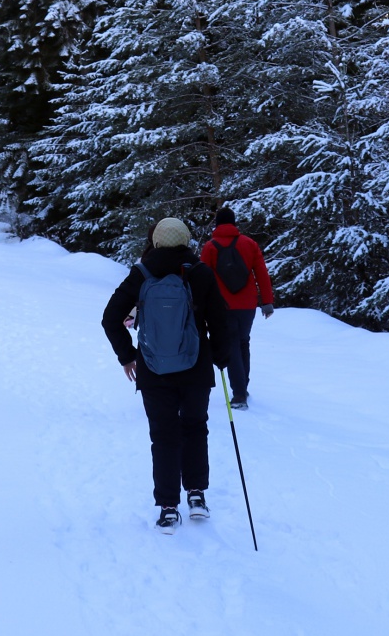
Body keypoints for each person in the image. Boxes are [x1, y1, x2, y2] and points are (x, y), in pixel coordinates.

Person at [101, 217, 233, 534]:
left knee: (163, 436)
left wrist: (128, 356)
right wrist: (220, 357)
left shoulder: (141, 273)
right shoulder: (201, 273)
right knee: (195, 428)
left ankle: (168, 508)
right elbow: (221, 321)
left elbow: (110, 318)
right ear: (186, 240)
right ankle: (197, 494)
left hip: (153, 368)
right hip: (196, 367)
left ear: (156, 241)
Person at [200, 207, 274, 411]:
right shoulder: (249, 244)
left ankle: (239, 394)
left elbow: (202, 278)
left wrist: (201, 305)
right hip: (247, 305)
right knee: (243, 342)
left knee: (231, 344)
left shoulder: (210, 247)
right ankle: (243, 387)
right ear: (234, 223)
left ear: (217, 224)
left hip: (222, 305)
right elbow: (261, 273)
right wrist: (267, 302)